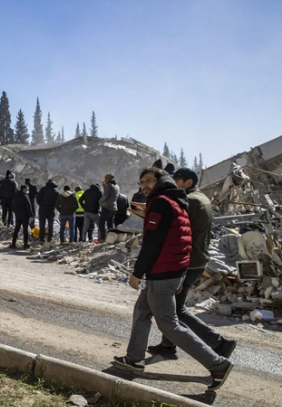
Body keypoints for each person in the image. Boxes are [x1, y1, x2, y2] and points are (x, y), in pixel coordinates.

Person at [113, 167, 234, 391]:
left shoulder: (160, 201)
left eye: (150, 180)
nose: (145, 185)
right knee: (142, 311)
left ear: (161, 180)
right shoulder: (176, 200)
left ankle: (218, 365)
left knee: (169, 325)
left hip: (163, 272)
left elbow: (153, 242)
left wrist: (137, 273)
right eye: (142, 182)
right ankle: (134, 358)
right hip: (173, 270)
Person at [148, 168, 237, 360]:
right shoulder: (200, 198)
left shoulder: (189, 201)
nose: (173, 184)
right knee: (174, 308)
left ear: (188, 182)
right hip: (198, 258)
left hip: (188, 260)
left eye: (177, 180)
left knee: (176, 310)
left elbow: (173, 226)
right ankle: (168, 345)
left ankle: (219, 343)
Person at [10, 185, 33, 249]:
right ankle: (25, 244)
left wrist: (16, 212)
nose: (28, 190)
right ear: (24, 189)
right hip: (25, 215)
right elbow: (28, 206)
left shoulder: (16, 195)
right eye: (27, 189)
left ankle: (13, 243)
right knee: (25, 230)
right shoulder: (25, 196)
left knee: (16, 229)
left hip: (18, 215)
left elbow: (12, 205)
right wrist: (31, 215)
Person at [36, 179, 59, 244]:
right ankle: (50, 239)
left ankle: (41, 239)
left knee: (42, 224)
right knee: (50, 225)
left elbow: (38, 198)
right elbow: (57, 201)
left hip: (42, 209)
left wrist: (41, 204)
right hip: (51, 210)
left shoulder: (43, 189)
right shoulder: (56, 191)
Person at [98, 173, 119, 242]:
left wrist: (100, 202)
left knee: (101, 222)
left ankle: (103, 238)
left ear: (108, 179)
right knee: (110, 223)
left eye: (105, 179)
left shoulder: (109, 186)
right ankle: (111, 238)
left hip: (107, 207)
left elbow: (105, 196)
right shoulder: (117, 186)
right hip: (114, 207)